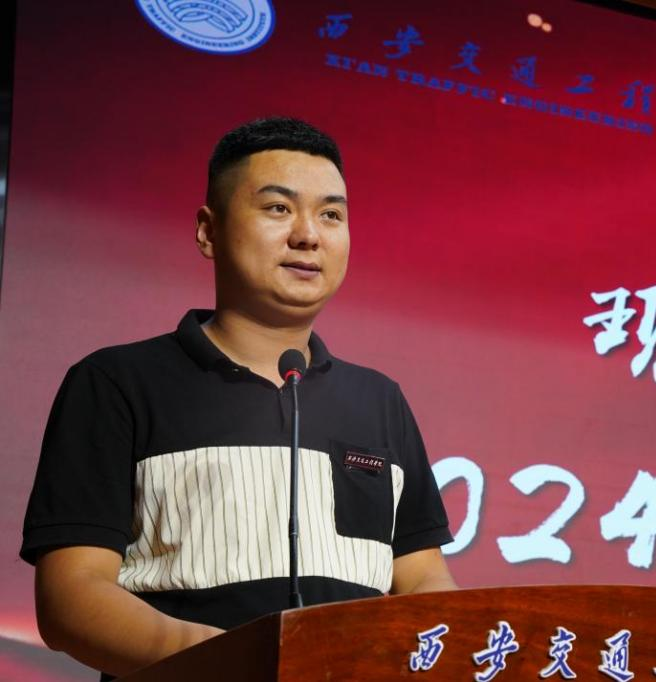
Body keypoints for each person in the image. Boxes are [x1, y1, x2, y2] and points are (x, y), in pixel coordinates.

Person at [20, 117, 456, 678]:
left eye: (331, 215)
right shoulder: (116, 383)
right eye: (278, 208)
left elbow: (421, 580)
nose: (309, 235)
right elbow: (71, 597)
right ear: (208, 231)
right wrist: (244, 664)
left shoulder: (379, 400)